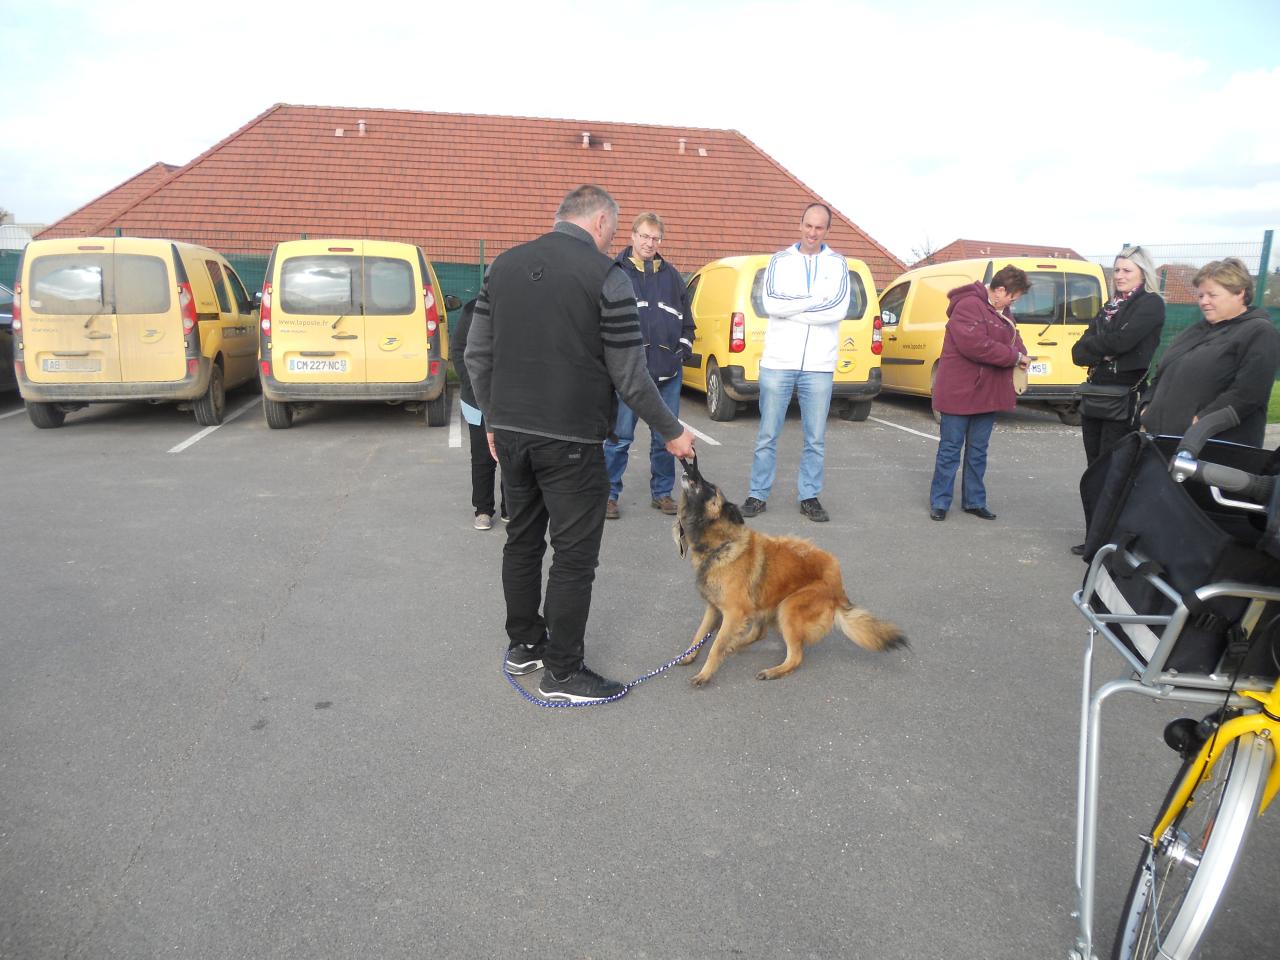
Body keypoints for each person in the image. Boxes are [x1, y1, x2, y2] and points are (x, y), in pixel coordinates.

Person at [464, 184, 697, 704]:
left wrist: (495, 421)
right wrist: (672, 431)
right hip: (571, 442)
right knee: (573, 557)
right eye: (612, 232)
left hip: (514, 437)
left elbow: (476, 354)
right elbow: (632, 378)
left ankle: (524, 645)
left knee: (521, 541)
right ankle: (564, 673)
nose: (610, 241)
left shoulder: (501, 267)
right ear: (598, 223)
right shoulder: (606, 276)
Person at [740, 203, 851, 523]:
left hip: (819, 365)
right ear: (799, 225)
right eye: (808, 226)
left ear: (827, 231)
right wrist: (815, 301)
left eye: (819, 228)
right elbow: (769, 303)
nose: (812, 233)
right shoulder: (780, 261)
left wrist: (793, 307)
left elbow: (838, 310)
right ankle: (757, 494)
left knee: (815, 437)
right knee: (767, 434)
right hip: (778, 361)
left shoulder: (838, 264)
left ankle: (810, 496)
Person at [1068, 246, 1164, 555]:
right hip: (1096, 395)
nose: (1119, 276)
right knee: (1093, 469)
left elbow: (1125, 341)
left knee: (1115, 472)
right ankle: (1093, 538)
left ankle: (1112, 541)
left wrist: (1102, 346)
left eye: (1127, 270)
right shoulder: (1109, 307)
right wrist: (1104, 348)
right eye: (1117, 270)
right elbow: (1077, 352)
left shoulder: (1150, 305)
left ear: (1142, 274)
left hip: (1123, 397)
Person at [603, 213, 695, 520]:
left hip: (667, 374)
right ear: (632, 236)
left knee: (665, 437)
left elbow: (687, 323)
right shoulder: (615, 273)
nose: (649, 243)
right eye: (644, 236)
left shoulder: (671, 277)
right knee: (619, 437)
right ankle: (609, 494)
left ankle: (663, 494)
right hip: (629, 376)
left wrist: (682, 350)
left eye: (655, 238)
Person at [928, 265, 1032, 522]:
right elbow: (976, 346)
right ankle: (940, 502)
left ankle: (974, 501)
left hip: (987, 391)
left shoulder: (1001, 310)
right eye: (1013, 297)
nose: (1013, 303)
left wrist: (1022, 353)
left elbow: (1013, 338)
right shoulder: (968, 306)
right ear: (999, 290)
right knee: (951, 449)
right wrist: (1015, 357)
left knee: (978, 450)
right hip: (960, 391)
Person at [1141, 257, 1280, 447]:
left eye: (1212, 295)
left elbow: (1248, 394)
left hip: (1214, 450)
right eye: (1200, 296)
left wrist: (1199, 423)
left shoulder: (1259, 332)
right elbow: (1161, 373)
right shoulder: (1194, 331)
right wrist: (1146, 408)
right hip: (1162, 441)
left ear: (1240, 292)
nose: (1204, 302)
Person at [452, 297, 507, 530]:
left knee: (511, 457)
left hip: (510, 400)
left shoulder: (519, 306)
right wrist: (474, 384)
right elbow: (459, 350)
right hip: (476, 399)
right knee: (482, 456)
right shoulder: (472, 309)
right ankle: (483, 509)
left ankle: (510, 507)